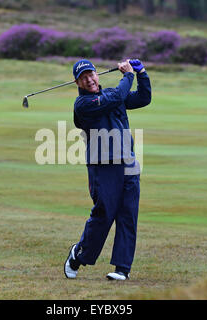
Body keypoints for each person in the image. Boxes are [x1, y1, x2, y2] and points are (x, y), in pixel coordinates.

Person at [64, 58, 152, 280]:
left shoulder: (115, 94)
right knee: (104, 214)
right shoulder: (82, 105)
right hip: (103, 166)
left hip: (128, 162)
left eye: (91, 74)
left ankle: (122, 268)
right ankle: (79, 254)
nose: (89, 79)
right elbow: (113, 99)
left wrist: (141, 74)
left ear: (97, 74)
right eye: (83, 78)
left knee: (128, 215)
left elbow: (143, 98)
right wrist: (128, 75)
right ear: (77, 83)